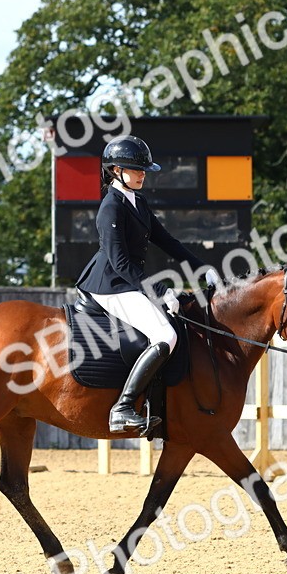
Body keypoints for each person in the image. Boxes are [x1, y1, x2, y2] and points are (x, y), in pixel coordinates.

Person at [74, 135, 222, 433]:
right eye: (137, 169)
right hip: (108, 285)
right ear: (116, 170)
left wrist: (201, 267)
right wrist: (159, 292)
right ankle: (123, 407)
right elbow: (119, 263)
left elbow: (167, 241)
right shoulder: (111, 207)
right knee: (165, 335)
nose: (143, 174)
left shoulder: (137, 202)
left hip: (125, 281)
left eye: (143, 170)